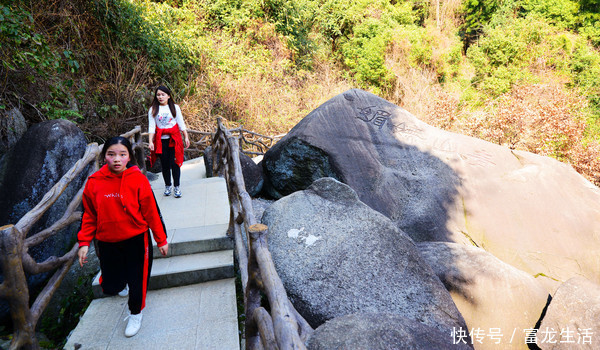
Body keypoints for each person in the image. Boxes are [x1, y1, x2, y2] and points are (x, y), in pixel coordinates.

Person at [77, 136, 169, 338]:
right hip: (107, 241)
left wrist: (161, 239)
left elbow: (151, 212)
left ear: (129, 157)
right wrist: (84, 242)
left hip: (136, 238)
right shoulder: (94, 183)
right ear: (104, 158)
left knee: (138, 279)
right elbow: (89, 214)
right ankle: (122, 283)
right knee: (112, 285)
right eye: (111, 154)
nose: (116, 159)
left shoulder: (137, 179)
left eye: (122, 154)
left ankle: (136, 312)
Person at [148, 86, 190, 198]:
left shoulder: (175, 107)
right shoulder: (153, 109)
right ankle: (168, 186)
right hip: (161, 141)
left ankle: (177, 187)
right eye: (158, 95)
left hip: (174, 140)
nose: (160, 97)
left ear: (168, 96)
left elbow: (181, 123)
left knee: (175, 164)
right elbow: (152, 127)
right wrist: (150, 141)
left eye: (163, 94)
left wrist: (186, 137)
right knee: (165, 165)